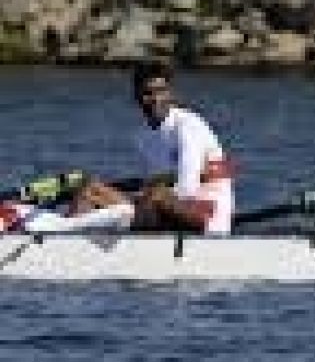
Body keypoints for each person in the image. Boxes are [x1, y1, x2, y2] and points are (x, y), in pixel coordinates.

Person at [70, 60, 235, 234]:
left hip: (209, 214)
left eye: (161, 91)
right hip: (164, 209)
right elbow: (153, 185)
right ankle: (66, 239)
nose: (156, 99)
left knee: (156, 194)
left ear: (171, 93)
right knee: (89, 190)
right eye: (148, 93)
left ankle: (114, 230)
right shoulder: (143, 138)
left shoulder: (188, 127)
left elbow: (187, 189)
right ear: (137, 96)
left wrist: (130, 201)